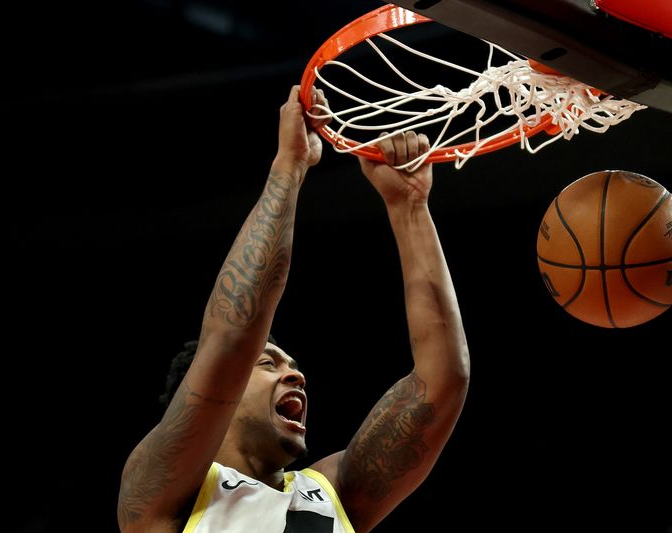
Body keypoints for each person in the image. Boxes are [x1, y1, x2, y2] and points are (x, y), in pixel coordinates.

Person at [117, 85, 470, 533]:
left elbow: (442, 381)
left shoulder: (334, 491)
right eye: (267, 362)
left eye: (290, 364)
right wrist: (289, 166)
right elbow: (233, 337)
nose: (295, 374)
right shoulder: (163, 490)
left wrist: (410, 207)